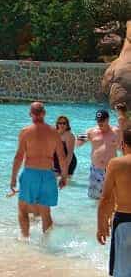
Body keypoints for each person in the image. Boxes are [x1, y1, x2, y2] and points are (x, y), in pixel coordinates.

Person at [10, 102, 68, 239]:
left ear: (30, 114)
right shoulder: (54, 132)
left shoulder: (25, 132)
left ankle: (25, 240)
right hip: (48, 174)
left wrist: (13, 177)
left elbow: (19, 157)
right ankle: (46, 244)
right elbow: (61, 157)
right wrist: (64, 177)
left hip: (30, 172)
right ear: (44, 114)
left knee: (23, 209)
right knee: (45, 213)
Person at [97, 126, 131, 277]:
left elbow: (106, 198)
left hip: (125, 221)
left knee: (122, 272)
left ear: (123, 144)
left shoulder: (116, 164)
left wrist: (101, 225)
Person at [77, 109, 121, 199]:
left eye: (102, 120)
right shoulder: (91, 132)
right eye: (98, 120)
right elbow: (76, 144)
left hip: (111, 170)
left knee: (111, 197)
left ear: (108, 119)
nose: (100, 123)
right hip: (96, 170)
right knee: (95, 198)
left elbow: (124, 147)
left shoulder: (116, 132)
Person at [53, 115, 77, 181]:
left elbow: (70, 154)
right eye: (60, 123)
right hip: (56, 160)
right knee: (51, 179)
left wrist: (65, 168)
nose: (62, 125)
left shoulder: (69, 136)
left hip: (68, 161)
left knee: (67, 183)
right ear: (57, 124)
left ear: (67, 124)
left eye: (64, 123)